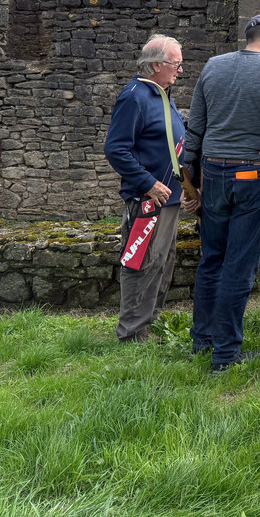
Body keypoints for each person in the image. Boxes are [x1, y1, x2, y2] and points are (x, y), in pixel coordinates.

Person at [183, 13, 260, 375]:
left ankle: (201, 343)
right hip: (254, 175)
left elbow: (196, 128)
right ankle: (225, 355)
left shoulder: (213, 66)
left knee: (212, 261)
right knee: (238, 266)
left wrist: (190, 179)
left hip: (214, 173)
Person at [104, 34, 199, 342]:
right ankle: (132, 331)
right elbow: (116, 149)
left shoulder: (161, 94)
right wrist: (148, 183)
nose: (180, 70)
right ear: (157, 64)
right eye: (176, 63)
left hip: (168, 198)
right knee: (141, 261)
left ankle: (148, 323)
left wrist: (187, 186)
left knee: (162, 261)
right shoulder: (134, 97)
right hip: (147, 199)